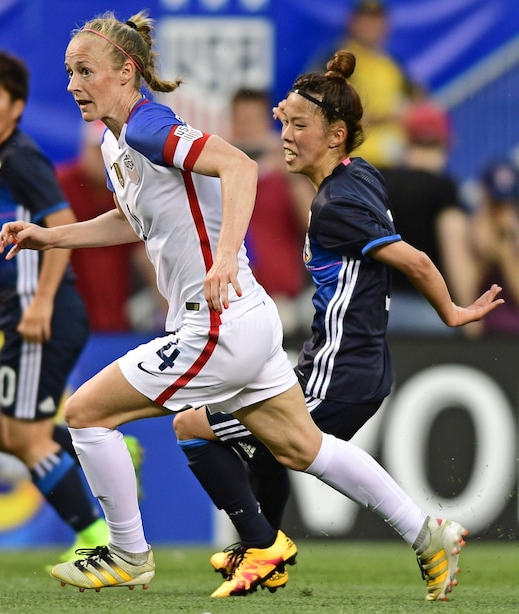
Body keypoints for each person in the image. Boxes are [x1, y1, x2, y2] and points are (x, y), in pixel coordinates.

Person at [0, 12, 501, 600]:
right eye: (68, 73)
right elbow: (135, 222)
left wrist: (226, 256)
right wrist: (51, 236)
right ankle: (426, 532)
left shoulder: (146, 126)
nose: (74, 84)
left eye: (85, 71)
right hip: (244, 318)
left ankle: (130, 553)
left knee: (85, 414)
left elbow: (237, 166)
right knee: (302, 446)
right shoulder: (117, 142)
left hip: (216, 323)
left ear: (125, 71)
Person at [172, 48, 504, 600]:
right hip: (354, 363)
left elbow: (416, 260)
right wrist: (299, 102)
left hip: (340, 367)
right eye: (285, 122)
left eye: (301, 126)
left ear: (337, 135)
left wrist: (453, 312)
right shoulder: (358, 174)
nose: (287, 134)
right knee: (269, 443)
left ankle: (422, 534)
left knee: (195, 427)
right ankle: (262, 547)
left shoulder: (336, 208)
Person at [0, 50, 110, 562]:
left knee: (22, 435)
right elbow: (18, 241)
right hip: (18, 312)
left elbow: (60, 224)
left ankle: (95, 537)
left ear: (17, 105)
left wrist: (41, 301)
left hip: (42, 319)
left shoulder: (21, 158)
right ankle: (98, 451)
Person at [56, 119, 165, 332]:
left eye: (111, 150)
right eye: (99, 150)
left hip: (114, 318)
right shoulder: (61, 185)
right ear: (84, 149)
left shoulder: (127, 190)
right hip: (66, 317)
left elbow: (143, 254)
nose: (105, 158)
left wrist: (169, 308)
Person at [382, 100, 477, 335]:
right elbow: (454, 252)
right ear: (447, 142)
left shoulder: (381, 181)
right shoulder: (444, 188)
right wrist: (471, 315)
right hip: (426, 311)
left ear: (407, 140)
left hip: (377, 309)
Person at [227, 88, 310, 335]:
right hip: (231, 299)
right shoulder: (218, 174)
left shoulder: (287, 174)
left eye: (252, 121)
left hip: (278, 297)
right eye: (241, 121)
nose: (247, 129)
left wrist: (292, 176)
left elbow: (312, 224)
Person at [316, 0, 420, 169]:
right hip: (352, 158)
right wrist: (383, 118)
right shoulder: (339, 60)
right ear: (353, 23)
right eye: (366, 20)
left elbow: (417, 101)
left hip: (395, 159)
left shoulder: (393, 65)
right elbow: (322, 108)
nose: (371, 26)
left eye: (376, 21)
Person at [467, 159, 519, 334]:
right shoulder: (470, 228)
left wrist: (505, 253)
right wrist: (485, 254)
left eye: (506, 204)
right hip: (484, 333)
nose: (500, 211)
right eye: (495, 203)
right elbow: (465, 296)